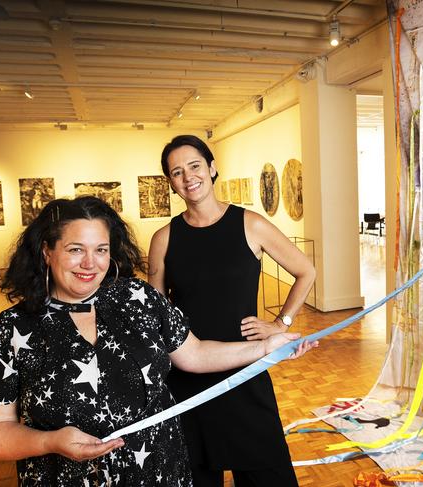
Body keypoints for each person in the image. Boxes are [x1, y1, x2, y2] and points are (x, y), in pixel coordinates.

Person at [0, 195, 316, 487]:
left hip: (163, 473)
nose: (90, 263)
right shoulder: (12, 329)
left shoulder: (137, 299)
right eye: (75, 249)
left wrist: (267, 348)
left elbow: (194, 353)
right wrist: (48, 441)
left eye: (101, 249)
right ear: (46, 252)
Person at [148, 135, 316, 486]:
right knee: (198, 476)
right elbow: (157, 311)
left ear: (211, 168)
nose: (188, 176)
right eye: (176, 172)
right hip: (188, 377)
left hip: (245, 369)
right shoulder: (164, 238)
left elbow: (306, 271)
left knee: (267, 475)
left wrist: (280, 322)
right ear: (171, 183)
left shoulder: (249, 224)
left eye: (194, 166)